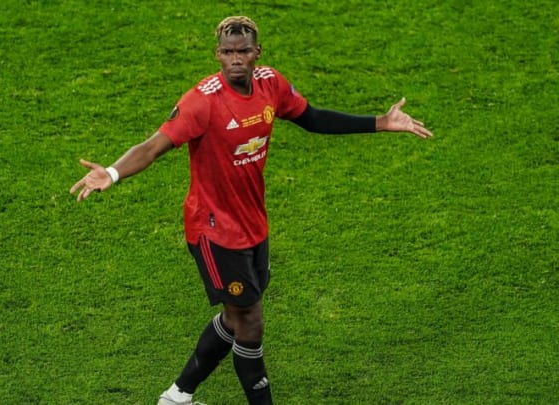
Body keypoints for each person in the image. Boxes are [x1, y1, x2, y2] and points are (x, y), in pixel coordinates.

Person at [70, 15, 432, 405]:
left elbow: (312, 118)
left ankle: (176, 397)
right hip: (213, 230)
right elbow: (154, 146)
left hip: (252, 224)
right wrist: (112, 172)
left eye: (243, 51)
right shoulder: (202, 102)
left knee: (235, 318)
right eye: (228, 52)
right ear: (218, 55)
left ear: (257, 53)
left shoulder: (271, 85)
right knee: (251, 322)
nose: (236, 59)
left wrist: (381, 122)